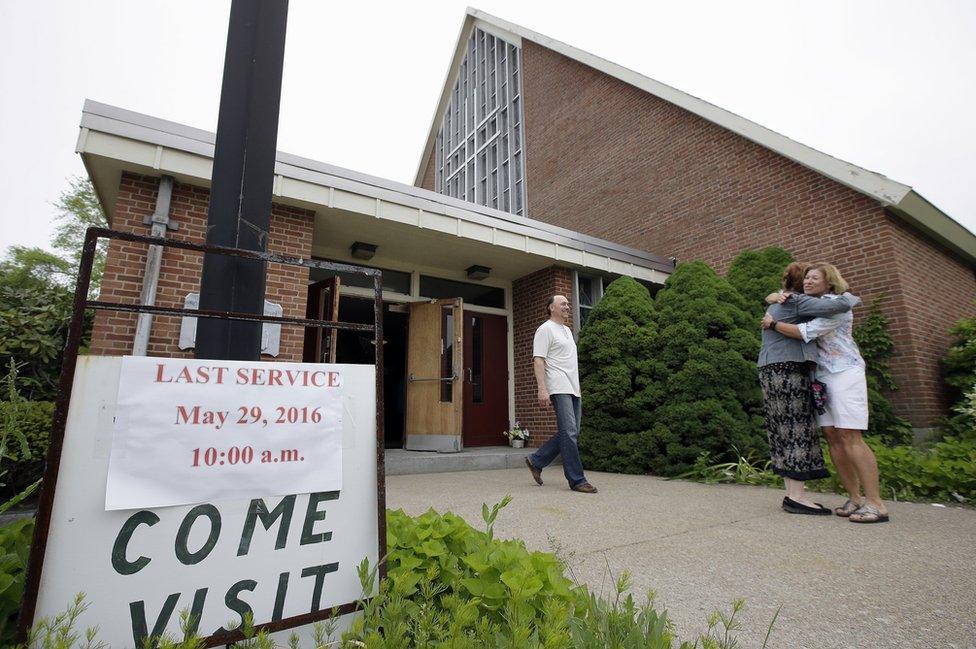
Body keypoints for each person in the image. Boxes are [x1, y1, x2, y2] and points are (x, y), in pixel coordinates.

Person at [763, 263, 889, 524]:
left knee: (850, 435)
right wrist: (775, 296)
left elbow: (804, 332)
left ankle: (875, 503)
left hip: (844, 372)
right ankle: (854, 498)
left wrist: (773, 323)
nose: (808, 281)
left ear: (829, 282)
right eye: (806, 277)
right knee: (832, 436)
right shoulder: (808, 303)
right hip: (821, 376)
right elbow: (784, 300)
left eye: (815, 278)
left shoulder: (835, 304)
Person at [524, 295, 598, 493]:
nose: (567, 306)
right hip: (558, 386)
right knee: (570, 433)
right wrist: (542, 389)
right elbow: (538, 360)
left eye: (567, 303)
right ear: (551, 308)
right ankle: (577, 480)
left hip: (574, 388)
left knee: (571, 432)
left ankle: (536, 460)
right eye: (563, 304)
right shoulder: (545, 329)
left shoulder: (566, 330)